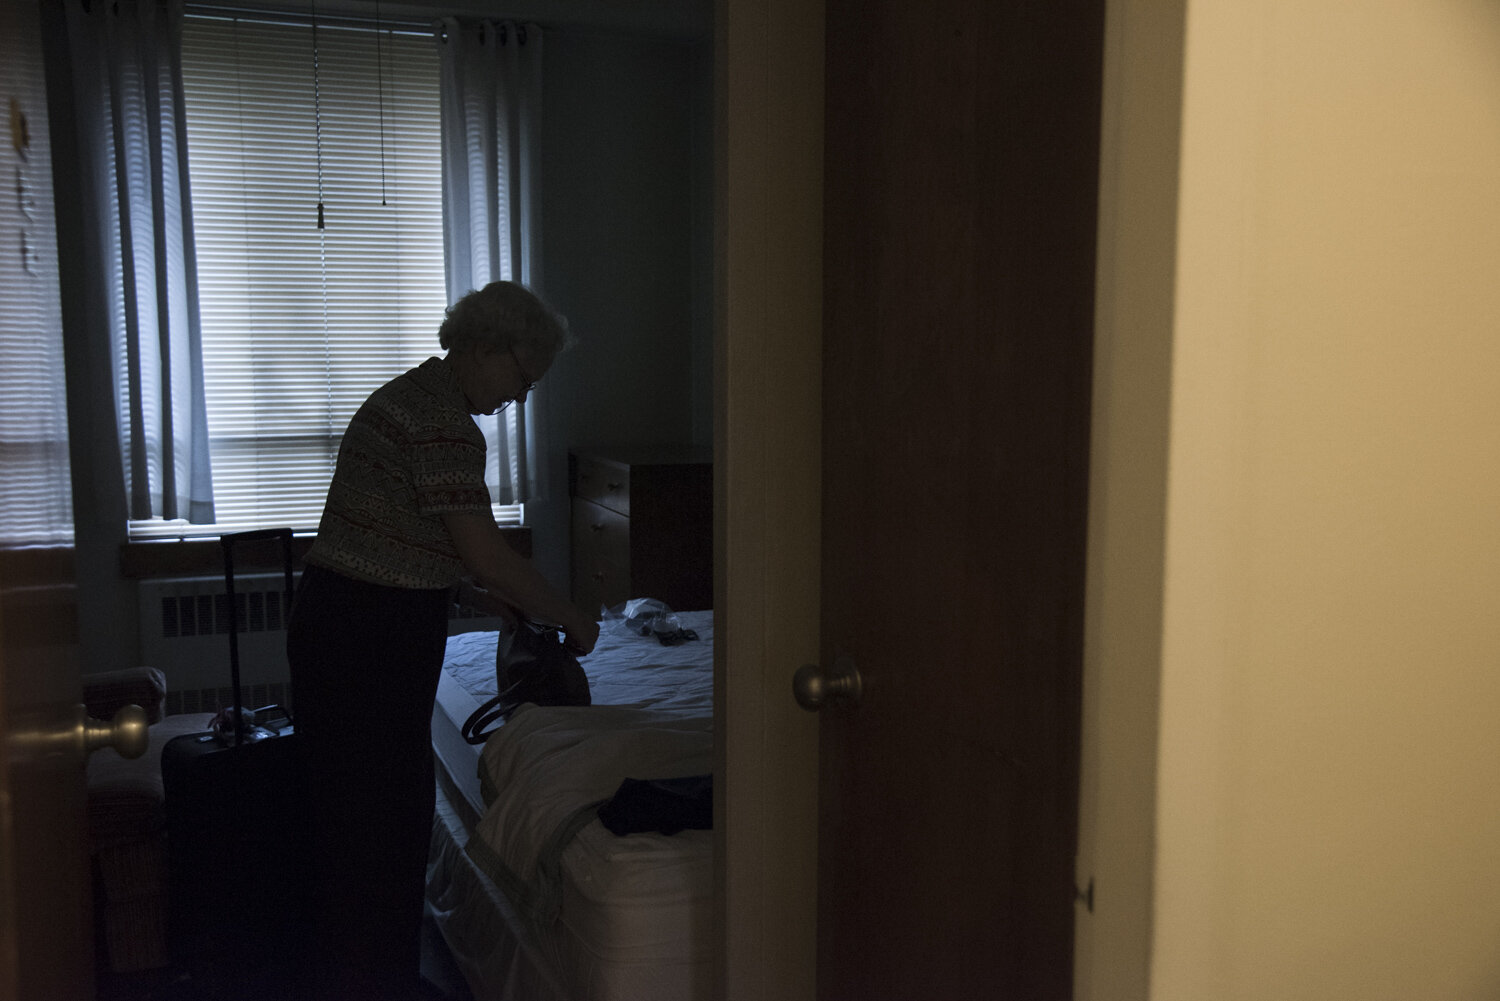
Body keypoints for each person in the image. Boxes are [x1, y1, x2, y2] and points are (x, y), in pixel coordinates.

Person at [286, 280, 599, 1000]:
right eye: (523, 377)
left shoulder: (414, 398)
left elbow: (408, 540)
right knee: (380, 824)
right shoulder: (444, 425)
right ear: (488, 347)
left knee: (359, 821)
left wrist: (470, 593)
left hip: (345, 626)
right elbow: (488, 551)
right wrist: (575, 616)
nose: (519, 397)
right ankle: (375, 980)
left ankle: (369, 974)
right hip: (365, 642)